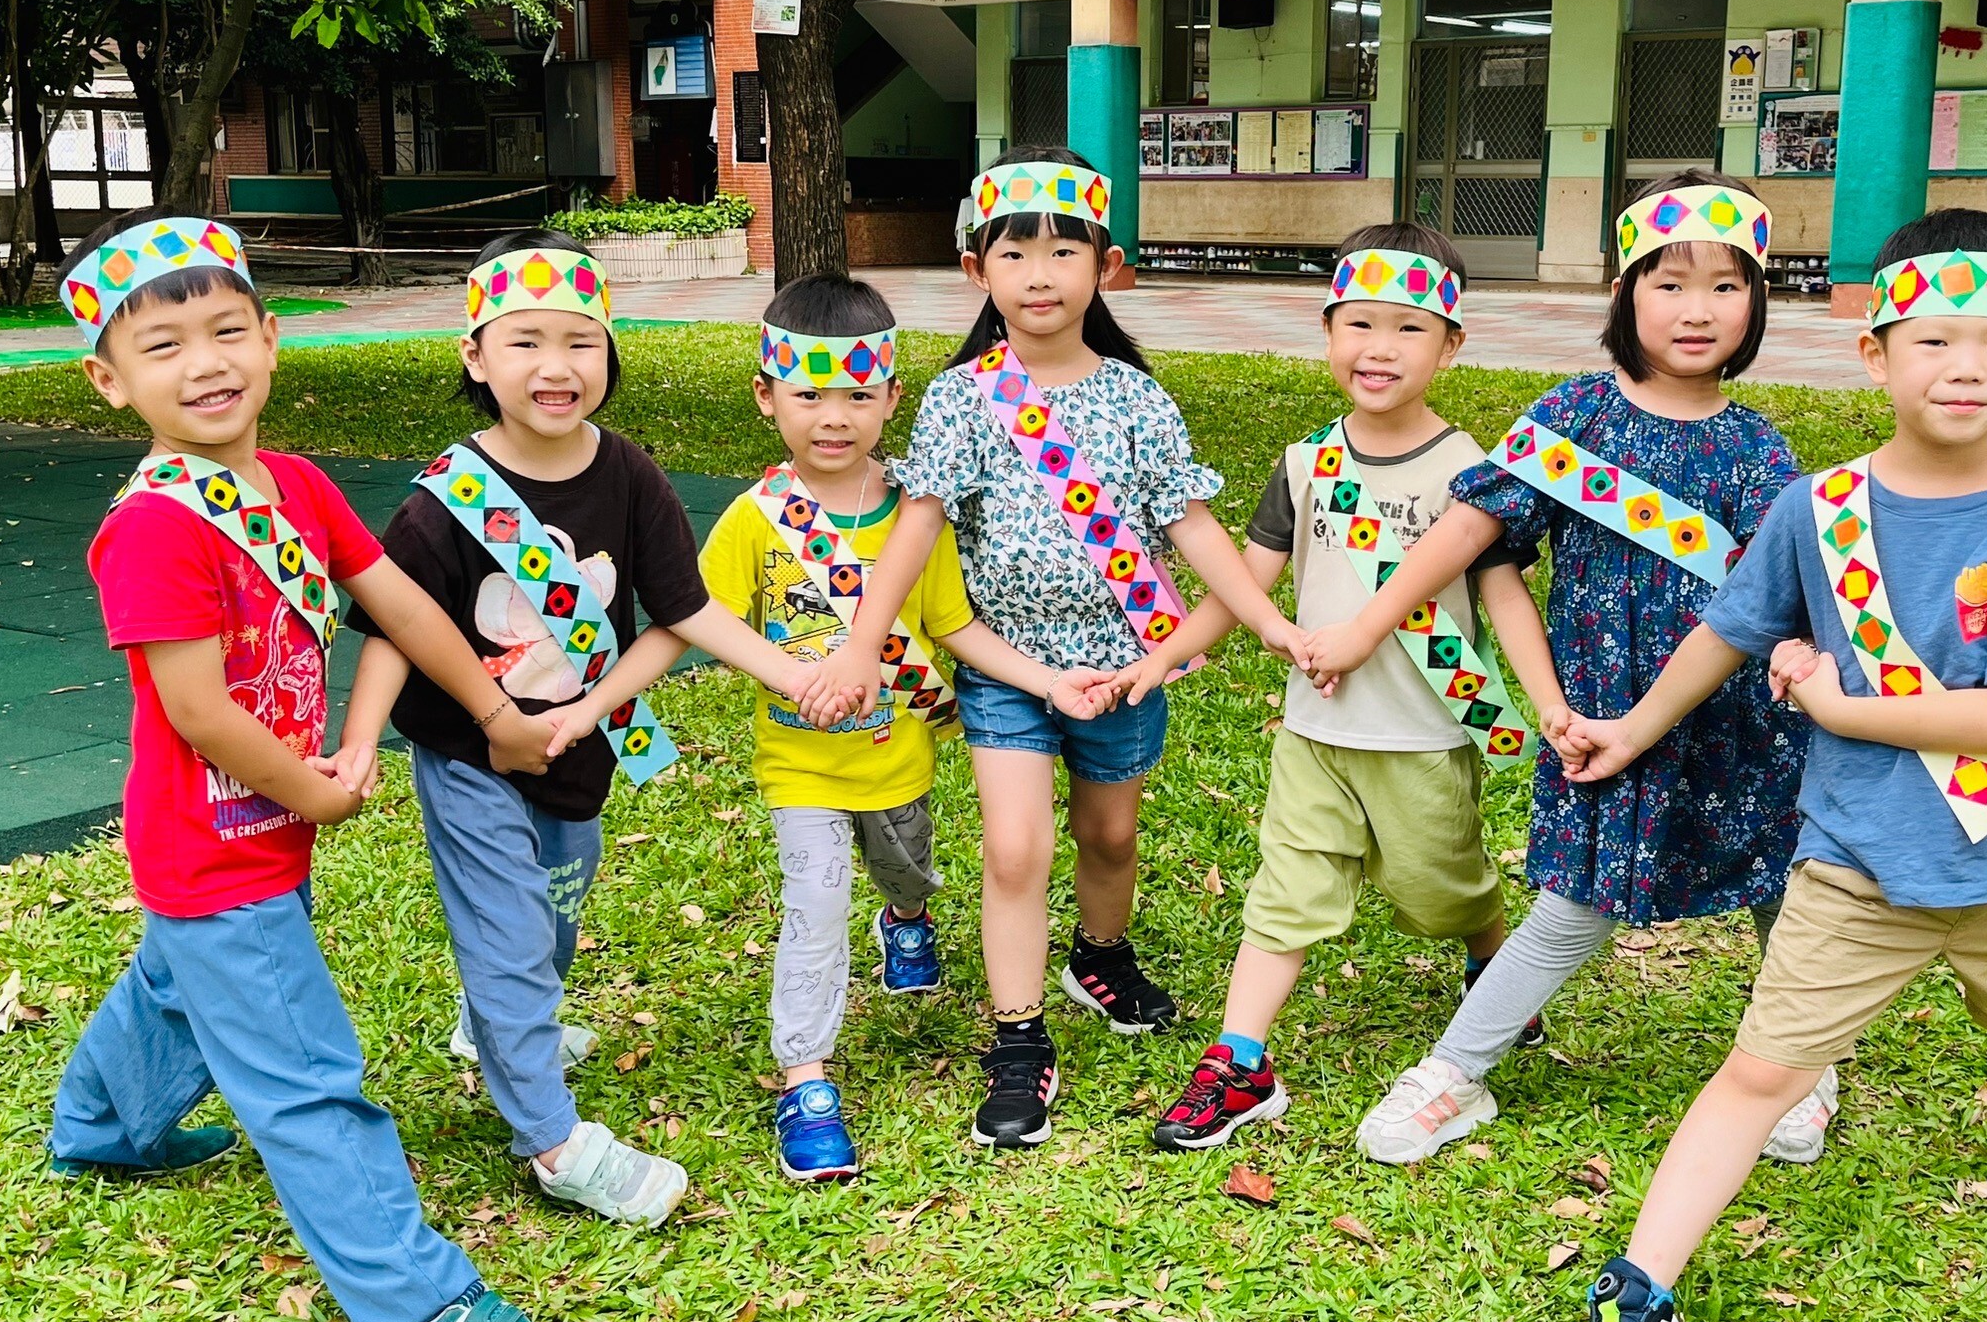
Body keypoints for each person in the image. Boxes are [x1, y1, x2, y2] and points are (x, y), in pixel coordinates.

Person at [1557, 208, 1987, 1322]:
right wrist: (1635, 730)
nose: (1964, 367)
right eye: (1932, 341)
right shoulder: (1820, 508)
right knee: (1758, 1068)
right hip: (1852, 862)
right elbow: (1732, 632)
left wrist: (1843, 709)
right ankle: (1639, 1285)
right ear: (1875, 353)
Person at [45, 208, 584, 1322]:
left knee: (177, 984)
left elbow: (394, 601)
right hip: (217, 839)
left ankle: (96, 1129)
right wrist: (320, 791)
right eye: (166, 346)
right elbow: (198, 711)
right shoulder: (152, 530)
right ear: (107, 379)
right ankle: (415, 1301)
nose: (208, 363)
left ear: (273, 338)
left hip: (251, 832)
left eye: (228, 330)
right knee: (302, 1074)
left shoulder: (289, 483)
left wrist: (490, 713)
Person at [1302, 173, 1826, 1166]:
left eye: (1728, 286)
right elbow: (1476, 537)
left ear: (1758, 303)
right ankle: (1456, 1072)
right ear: (1623, 292)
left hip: (1732, 722)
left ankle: (1804, 1065)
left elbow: (1777, 589)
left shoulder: (1757, 443)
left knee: (1779, 892)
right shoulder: (1576, 413)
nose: (1698, 309)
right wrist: (1389, 632)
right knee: (1578, 897)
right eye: (1669, 282)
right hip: (1600, 718)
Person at [795, 146, 1301, 1149]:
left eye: (1065, 249)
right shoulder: (960, 398)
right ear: (976, 269)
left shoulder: (1137, 398)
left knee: (1111, 837)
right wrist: (861, 645)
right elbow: (917, 527)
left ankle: (1100, 954)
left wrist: (1273, 623)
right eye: (1014, 250)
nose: (1039, 271)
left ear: (1105, 269)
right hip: (1005, 670)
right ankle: (1019, 1037)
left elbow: (1194, 527)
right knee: (1016, 848)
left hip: (1121, 671)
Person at [337, 227, 798, 1229]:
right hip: (469, 752)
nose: (557, 367)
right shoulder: (439, 504)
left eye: (580, 342)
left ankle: (492, 1024)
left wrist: (788, 674)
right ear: (476, 356)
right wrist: (364, 740)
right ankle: (552, 1141)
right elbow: (389, 627)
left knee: (554, 911)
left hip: (578, 747)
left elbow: (686, 611)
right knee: (508, 931)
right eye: (526, 341)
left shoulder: (630, 474)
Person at [1108, 222, 1534, 1150]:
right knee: (1284, 892)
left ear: (1452, 345)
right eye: (1360, 324)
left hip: (1424, 730)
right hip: (1316, 729)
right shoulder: (1306, 461)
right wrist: (1161, 654)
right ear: (1327, 330)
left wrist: (1551, 702)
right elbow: (1247, 577)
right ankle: (1238, 1062)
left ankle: (1492, 966)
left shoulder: (1476, 470)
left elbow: (1501, 591)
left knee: (1446, 891)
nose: (1379, 349)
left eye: (1410, 329)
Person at [695, 272, 1113, 1182]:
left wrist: (1049, 680)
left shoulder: (921, 521)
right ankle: (806, 1081)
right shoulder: (751, 521)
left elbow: (957, 630)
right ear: (767, 398)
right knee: (812, 916)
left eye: (855, 393)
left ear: (892, 396)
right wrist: (790, 673)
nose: (832, 416)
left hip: (901, 760)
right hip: (798, 770)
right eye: (807, 394)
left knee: (906, 864)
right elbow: (704, 613)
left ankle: (909, 916)